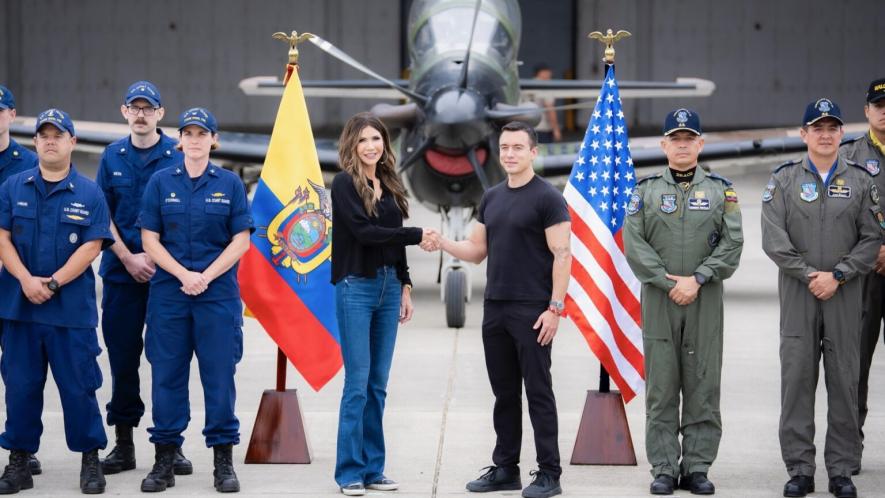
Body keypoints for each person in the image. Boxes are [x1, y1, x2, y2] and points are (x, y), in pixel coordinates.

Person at [429, 121, 570, 498]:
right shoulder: (491, 197)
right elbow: (477, 252)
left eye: (517, 148)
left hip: (533, 310)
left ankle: (549, 473)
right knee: (504, 394)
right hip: (496, 310)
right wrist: (443, 241)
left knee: (539, 393)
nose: (509, 154)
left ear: (533, 152)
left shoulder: (548, 198)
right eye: (505, 147)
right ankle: (506, 468)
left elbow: (562, 253)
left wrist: (555, 308)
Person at [762, 98, 881, 498]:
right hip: (800, 293)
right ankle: (799, 470)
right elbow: (774, 239)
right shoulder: (783, 180)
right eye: (817, 128)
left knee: (845, 380)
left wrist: (841, 275)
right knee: (796, 380)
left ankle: (842, 471)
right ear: (804, 135)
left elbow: (871, 238)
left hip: (846, 295)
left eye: (832, 128)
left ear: (841, 133)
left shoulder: (862, 181)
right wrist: (811, 275)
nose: (826, 135)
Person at [623, 109, 743, 495]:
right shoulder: (645, 192)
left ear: (701, 144)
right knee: (661, 385)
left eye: (689, 138)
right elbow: (634, 243)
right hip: (659, 299)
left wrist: (700, 278)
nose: (682, 145)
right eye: (675, 138)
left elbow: (733, 242)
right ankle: (663, 467)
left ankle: (697, 467)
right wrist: (665, 281)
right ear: (663, 145)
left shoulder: (721, 191)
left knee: (703, 383)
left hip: (705, 298)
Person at [137, 108, 252, 493]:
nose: (196, 140)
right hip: (170, 295)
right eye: (189, 133)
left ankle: (223, 462)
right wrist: (184, 274)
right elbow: (149, 239)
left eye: (203, 134)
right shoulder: (159, 182)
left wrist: (206, 275)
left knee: (219, 378)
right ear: (179, 140)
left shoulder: (231, 184)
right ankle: (164, 461)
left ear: (213, 140)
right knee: (166, 377)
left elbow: (241, 240)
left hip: (216, 296)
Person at [0, 109, 114, 494]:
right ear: (35, 142)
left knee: (79, 387)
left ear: (72, 142)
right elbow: (2, 240)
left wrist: (50, 284)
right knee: (20, 387)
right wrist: (25, 280)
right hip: (20, 309)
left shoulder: (89, 192)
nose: (50, 140)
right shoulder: (13, 187)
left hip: (69, 312)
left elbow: (92, 246)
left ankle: (90, 461)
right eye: (43, 134)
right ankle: (18, 462)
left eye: (58, 134)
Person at [330, 112, 434, 496]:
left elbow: (391, 240)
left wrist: (405, 284)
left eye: (376, 139)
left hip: (389, 288)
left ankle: (374, 469)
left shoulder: (389, 183)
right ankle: (349, 472)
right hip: (355, 286)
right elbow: (366, 232)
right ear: (351, 146)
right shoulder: (343, 184)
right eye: (363, 140)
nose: (371, 146)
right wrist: (417, 233)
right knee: (357, 383)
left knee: (378, 385)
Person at [95, 80, 191, 476]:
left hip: (165, 278)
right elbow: (102, 215)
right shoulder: (111, 156)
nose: (140, 114)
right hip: (122, 275)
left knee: (170, 362)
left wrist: (154, 260)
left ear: (160, 114)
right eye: (134, 108)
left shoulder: (176, 154)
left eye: (147, 108)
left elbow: (185, 214)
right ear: (124, 113)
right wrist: (127, 256)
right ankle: (123, 444)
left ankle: (172, 445)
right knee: (122, 361)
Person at [840, 77, 885, 474]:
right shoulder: (849, 155)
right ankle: (850, 446)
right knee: (855, 364)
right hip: (865, 274)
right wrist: (872, 251)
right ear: (867, 110)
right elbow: (841, 213)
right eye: (879, 104)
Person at [0, 84, 42, 477]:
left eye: (0, 110)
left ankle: (21, 447)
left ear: (12, 115)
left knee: (17, 373)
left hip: (12, 284)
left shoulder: (29, 164)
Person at [530, 65, 561, 144]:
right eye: (549, 75)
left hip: (527, 128)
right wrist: (556, 129)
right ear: (542, 73)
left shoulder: (527, 85)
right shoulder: (545, 86)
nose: (550, 77)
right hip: (542, 128)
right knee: (544, 154)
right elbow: (550, 109)